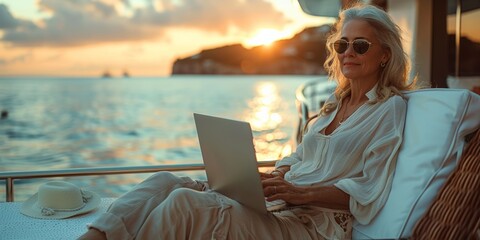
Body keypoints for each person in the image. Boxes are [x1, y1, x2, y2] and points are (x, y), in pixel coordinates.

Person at [79, 3, 416, 240]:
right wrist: (278, 176)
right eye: (342, 44)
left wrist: (300, 193)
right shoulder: (332, 104)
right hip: (280, 204)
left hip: (310, 226)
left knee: (184, 205)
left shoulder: (389, 110)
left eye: (360, 45)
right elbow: (300, 157)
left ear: (384, 54)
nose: (348, 53)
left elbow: (371, 190)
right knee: (165, 182)